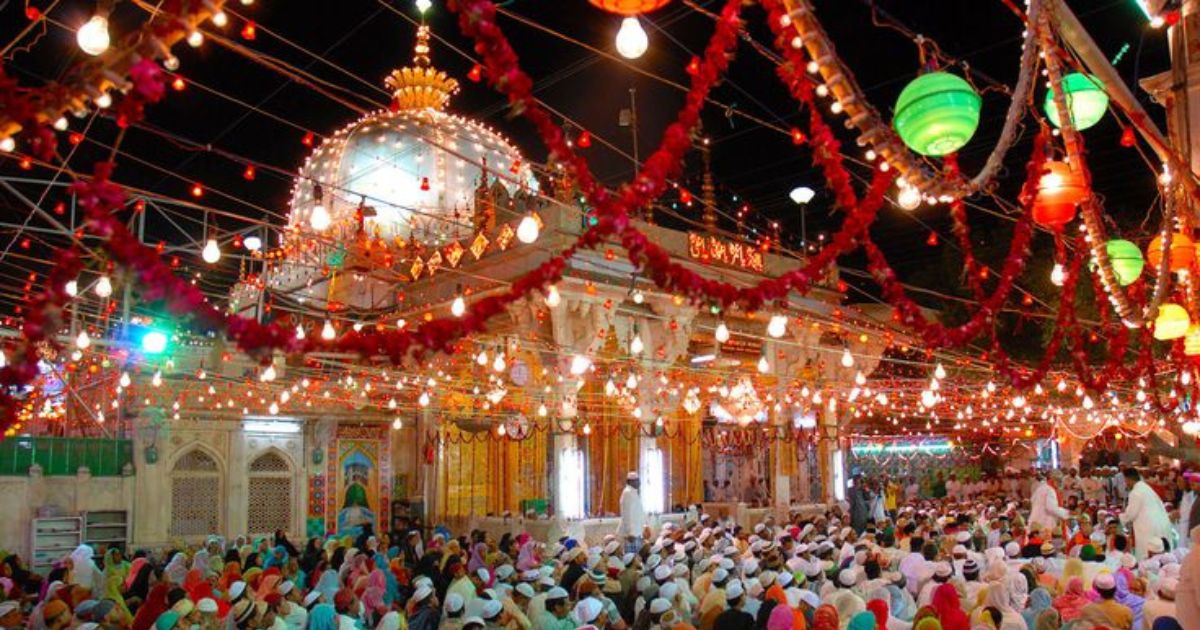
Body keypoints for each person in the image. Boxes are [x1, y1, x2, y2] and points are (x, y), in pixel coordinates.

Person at [1121, 468, 1174, 559]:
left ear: (1128, 480)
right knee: (1161, 556)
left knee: (1147, 557)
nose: (1126, 483)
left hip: (1148, 528)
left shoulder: (1135, 492)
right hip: (1159, 525)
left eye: (1125, 481)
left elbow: (1131, 514)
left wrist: (1119, 518)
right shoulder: (1146, 488)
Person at [1029, 471, 1070, 536]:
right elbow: (1051, 508)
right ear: (1054, 480)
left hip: (1036, 520)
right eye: (1059, 481)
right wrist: (1066, 513)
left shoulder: (1041, 487)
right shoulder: (1050, 490)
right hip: (1045, 521)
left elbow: (1032, 500)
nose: (1060, 484)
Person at [618, 472, 647, 555]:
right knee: (632, 558)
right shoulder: (627, 493)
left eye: (638, 480)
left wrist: (644, 526)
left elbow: (637, 513)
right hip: (632, 534)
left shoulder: (633, 492)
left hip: (637, 532)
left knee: (637, 556)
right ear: (629, 482)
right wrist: (630, 532)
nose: (639, 483)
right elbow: (627, 514)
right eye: (636, 481)